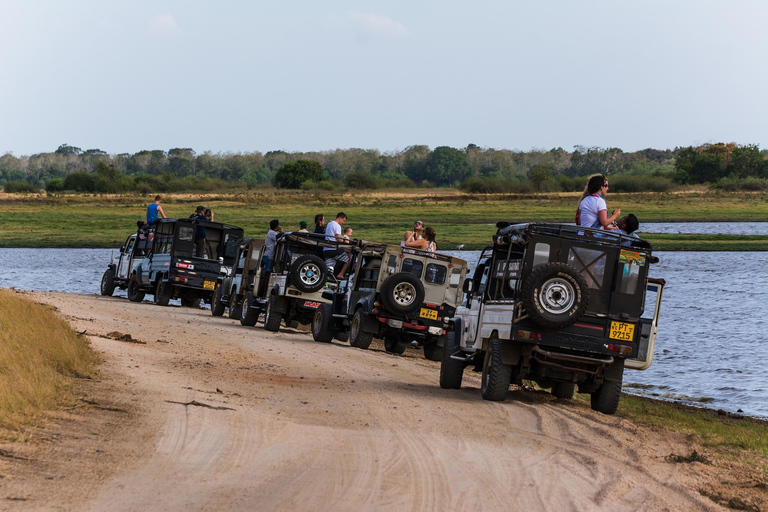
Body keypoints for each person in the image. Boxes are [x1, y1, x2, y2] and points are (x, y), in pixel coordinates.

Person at [324, 212, 348, 277]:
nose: (343, 222)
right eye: (343, 220)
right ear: (340, 218)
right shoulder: (337, 225)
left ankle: (327, 278)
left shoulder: (329, 224)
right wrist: (346, 241)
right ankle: (341, 274)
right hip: (333, 249)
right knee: (348, 259)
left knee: (329, 267)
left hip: (326, 249)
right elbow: (338, 239)